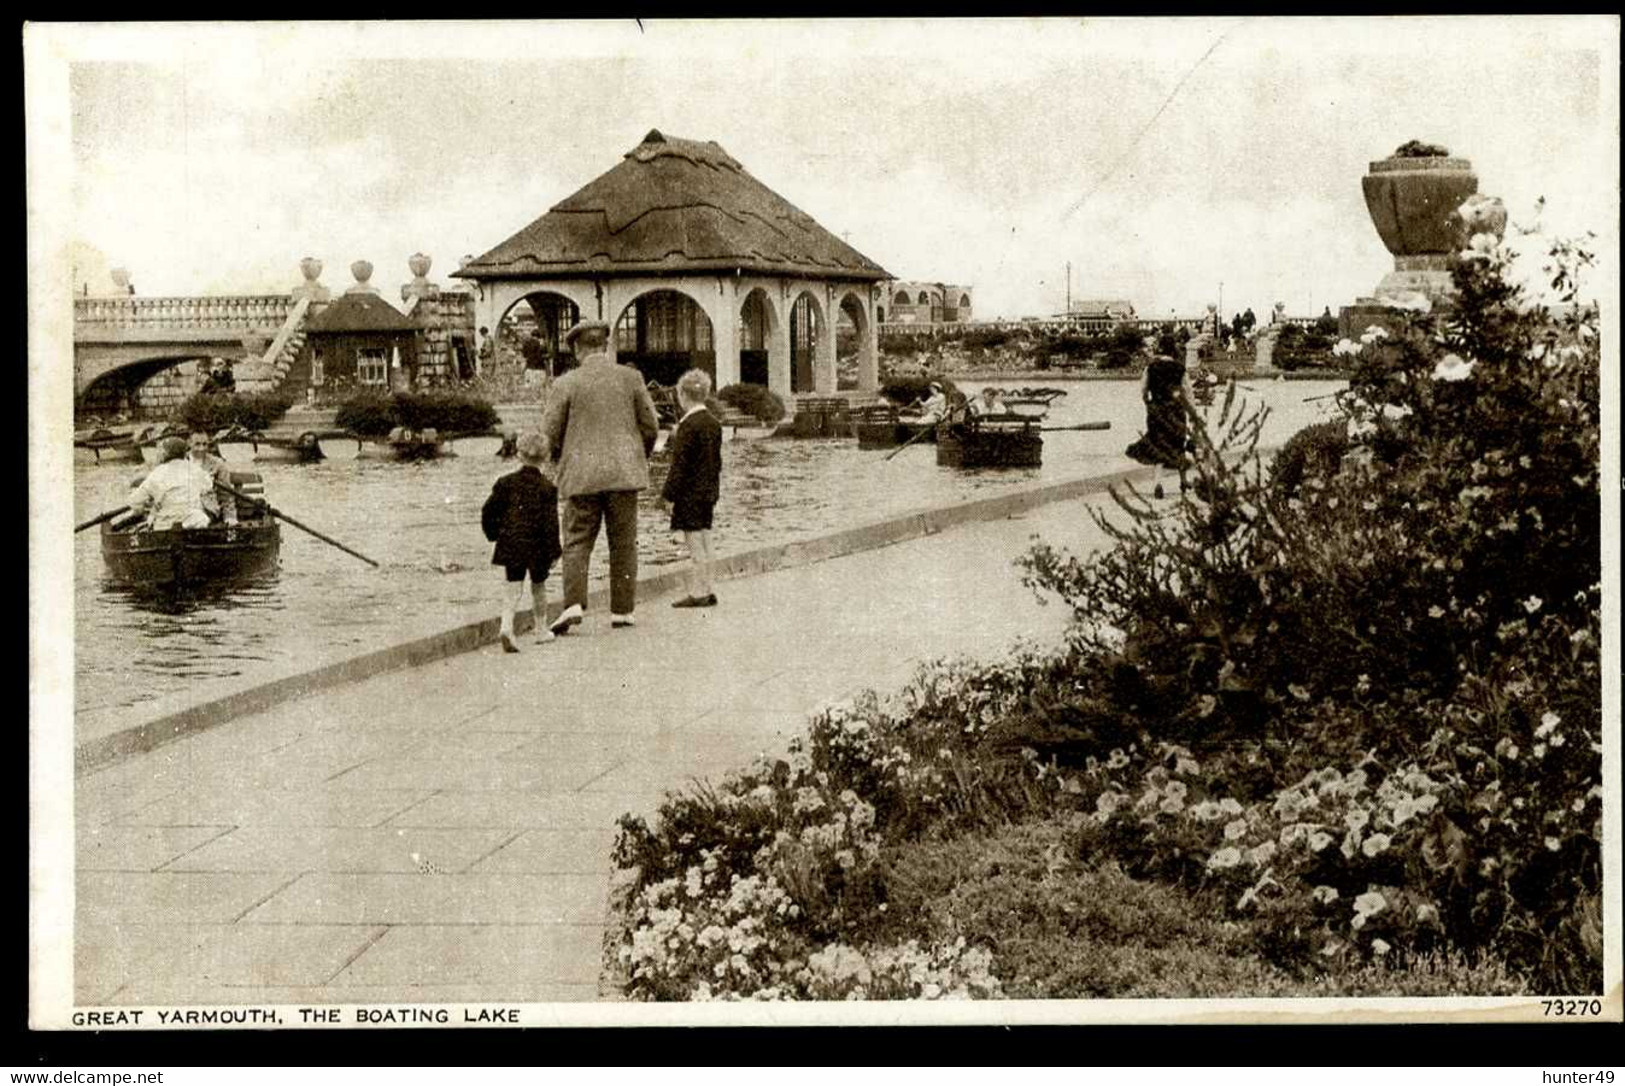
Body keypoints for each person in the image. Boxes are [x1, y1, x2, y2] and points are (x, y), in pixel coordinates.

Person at [540, 320, 660, 634]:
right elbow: (651, 427)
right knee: (623, 543)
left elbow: (548, 434)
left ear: (577, 349)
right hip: (624, 474)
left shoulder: (566, 384)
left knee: (577, 540)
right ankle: (622, 610)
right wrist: (636, 456)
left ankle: (574, 603)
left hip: (581, 477)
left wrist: (559, 461)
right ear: (605, 346)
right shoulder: (631, 378)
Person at [481, 431, 563, 653]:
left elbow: (488, 511)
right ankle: (540, 630)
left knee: (512, 586)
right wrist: (555, 552)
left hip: (512, 542)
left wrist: (495, 535)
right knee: (539, 586)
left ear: (519, 455)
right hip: (538, 547)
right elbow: (551, 524)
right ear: (545, 458)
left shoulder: (505, 483)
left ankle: (507, 626)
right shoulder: (548, 488)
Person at [662, 369, 723, 609]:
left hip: (689, 494)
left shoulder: (687, 426)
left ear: (682, 395)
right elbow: (715, 462)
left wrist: (668, 495)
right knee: (707, 541)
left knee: (694, 545)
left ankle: (699, 593)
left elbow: (680, 466)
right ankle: (709, 587)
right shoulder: (713, 423)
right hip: (708, 491)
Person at [1125, 354, 1194, 499]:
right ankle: (1183, 481)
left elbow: (1143, 388)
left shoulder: (1150, 368)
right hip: (1176, 411)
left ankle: (1158, 483)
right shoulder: (1180, 368)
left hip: (1157, 410)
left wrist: (1148, 402)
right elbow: (1187, 391)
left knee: (1159, 445)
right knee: (1178, 443)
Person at [126, 437, 211, 530]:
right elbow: (208, 487)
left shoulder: (158, 472)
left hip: (167, 526)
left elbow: (134, 501)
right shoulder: (196, 469)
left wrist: (147, 505)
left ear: (165, 454)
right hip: (195, 523)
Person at [188, 430, 237, 525]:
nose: (201, 449)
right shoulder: (181, 462)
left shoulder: (217, 464)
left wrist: (230, 517)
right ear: (189, 443)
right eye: (197, 444)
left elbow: (226, 494)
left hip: (207, 509)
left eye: (205, 444)